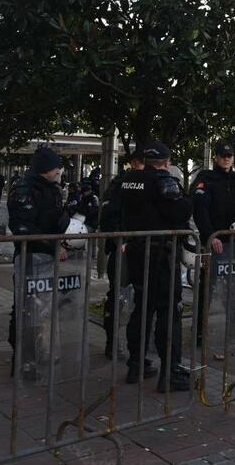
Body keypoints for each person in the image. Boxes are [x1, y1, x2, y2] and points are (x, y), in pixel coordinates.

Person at [121, 142, 194, 392]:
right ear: (166, 161)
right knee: (168, 311)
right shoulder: (163, 181)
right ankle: (170, 370)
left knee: (142, 308)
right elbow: (181, 210)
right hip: (160, 255)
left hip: (136, 252)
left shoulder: (126, 180)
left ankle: (136, 364)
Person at [6, 147, 70, 376]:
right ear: (45, 168)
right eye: (56, 167)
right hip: (30, 256)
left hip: (48, 258)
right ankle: (23, 360)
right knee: (26, 309)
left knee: (43, 308)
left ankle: (39, 351)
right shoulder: (24, 188)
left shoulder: (52, 189)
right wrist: (51, 245)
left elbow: (55, 219)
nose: (58, 171)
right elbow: (22, 227)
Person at [193, 140, 235, 339]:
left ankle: (234, 325)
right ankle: (200, 329)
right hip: (215, 241)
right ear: (216, 157)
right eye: (223, 156)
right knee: (208, 285)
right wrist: (209, 236)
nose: (226, 159)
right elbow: (200, 211)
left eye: (229, 156)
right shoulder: (206, 178)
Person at [99, 151, 144, 360]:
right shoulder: (120, 185)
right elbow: (108, 217)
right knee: (118, 298)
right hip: (123, 252)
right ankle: (112, 342)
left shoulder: (149, 184)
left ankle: (137, 344)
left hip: (143, 250)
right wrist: (120, 241)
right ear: (135, 163)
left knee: (141, 298)